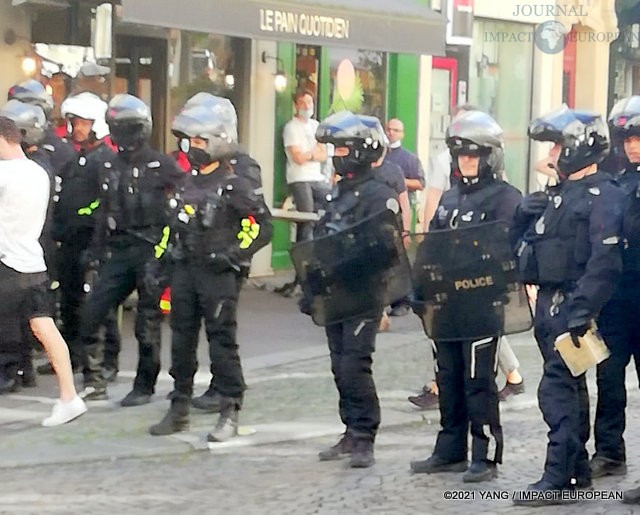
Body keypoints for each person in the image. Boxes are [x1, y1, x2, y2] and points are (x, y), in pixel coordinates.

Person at [510, 106, 624, 505]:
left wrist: (582, 309)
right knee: (569, 388)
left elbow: (604, 259)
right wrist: (519, 220)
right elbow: (522, 251)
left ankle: (557, 475)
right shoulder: (554, 196)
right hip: (547, 303)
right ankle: (575, 473)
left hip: (574, 305)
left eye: (559, 146)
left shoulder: (603, 195)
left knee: (556, 391)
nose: (553, 154)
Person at [149, 97, 273, 441]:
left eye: (200, 141)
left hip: (218, 275)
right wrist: (158, 264)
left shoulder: (235, 183)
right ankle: (179, 408)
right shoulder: (185, 182)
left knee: (222, 343)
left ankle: (230, 409)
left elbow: (262, 226)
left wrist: (233, 255)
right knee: (182, 341)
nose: (192, 148)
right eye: (190, 141)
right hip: (185, 271)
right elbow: (170, 228)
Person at [409, 110, 522, 483]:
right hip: (447, 308)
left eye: (474, 155)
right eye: (461, 155)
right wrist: (419, 285)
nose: (467, 161)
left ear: (490, 157)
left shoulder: (506, 198)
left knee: (479, 383)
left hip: (480, 306)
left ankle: (484, 454)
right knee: (449, 378)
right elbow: (432, 245)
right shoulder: (450, 198)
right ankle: (450, 448)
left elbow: (505, 251)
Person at [301, 111, 400, 468]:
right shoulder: (337, 192)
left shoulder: (380, 194)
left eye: (345, 148)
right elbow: (321, 240)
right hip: (334, 294)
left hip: (363, 293)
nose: (338, 154)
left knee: (355, 364)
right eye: (336, 148)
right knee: (338, 366)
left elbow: (385, 249)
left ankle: (364, 436)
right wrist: (311, 286)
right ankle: (349, 430)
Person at [77, 93, 184, 405]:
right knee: (92, 312)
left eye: (129, 128)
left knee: (147, 322)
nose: (124, 136)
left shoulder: (161, 164)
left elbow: (184, 202)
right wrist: (96, 251)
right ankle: (94, 379)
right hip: (119, 248)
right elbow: (103, 210)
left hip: (151, 248)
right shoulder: (107, 164)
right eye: (118, 128)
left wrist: (168, 246)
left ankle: (144, 384)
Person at [0, 115, 87, 425]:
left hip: (6, 263)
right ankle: (69, 397)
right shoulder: (39, 172)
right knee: (45, 327)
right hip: (33, 261)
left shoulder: (4, 173)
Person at [49, 92, 122, 379]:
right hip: (69, 241)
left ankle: (105, 361)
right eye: (72, 122)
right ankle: (72, 356)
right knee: (69, 301)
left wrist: (83, 217)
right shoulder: (74, 159)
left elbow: (103, 202)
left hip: (93, 243)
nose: (74, 129)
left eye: (80, 123)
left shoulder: (106, 160)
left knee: (99, 305)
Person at [589, 97, 640, 482]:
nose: (632, 145)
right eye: (627, 138)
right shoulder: (617, 183)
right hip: (617, 297)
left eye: (638, 137)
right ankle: (609, 452)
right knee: (608, 377)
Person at [278, 90, 329, 297]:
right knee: (305, 222)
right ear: (296, 105)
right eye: (303, 102)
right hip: (299, 179)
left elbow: (324, 153)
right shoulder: (291, 128)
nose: (308, 106)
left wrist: (310, 154)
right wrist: (312, 154)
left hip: (317, 179)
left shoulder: (316, 126)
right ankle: (301, 276)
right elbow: (298, 158)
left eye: (310, 101)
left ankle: (317, 271)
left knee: (329, 213)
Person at [384, 118, 425, 317]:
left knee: (399, 259)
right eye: (388, 129)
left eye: (395, 130)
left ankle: (403, 300)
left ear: (402, 133)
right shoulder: (380, 155)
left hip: (400, 210)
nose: (391, 133)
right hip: (381, 211)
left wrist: (398, 180)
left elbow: (420, 183)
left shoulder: (408, 159)